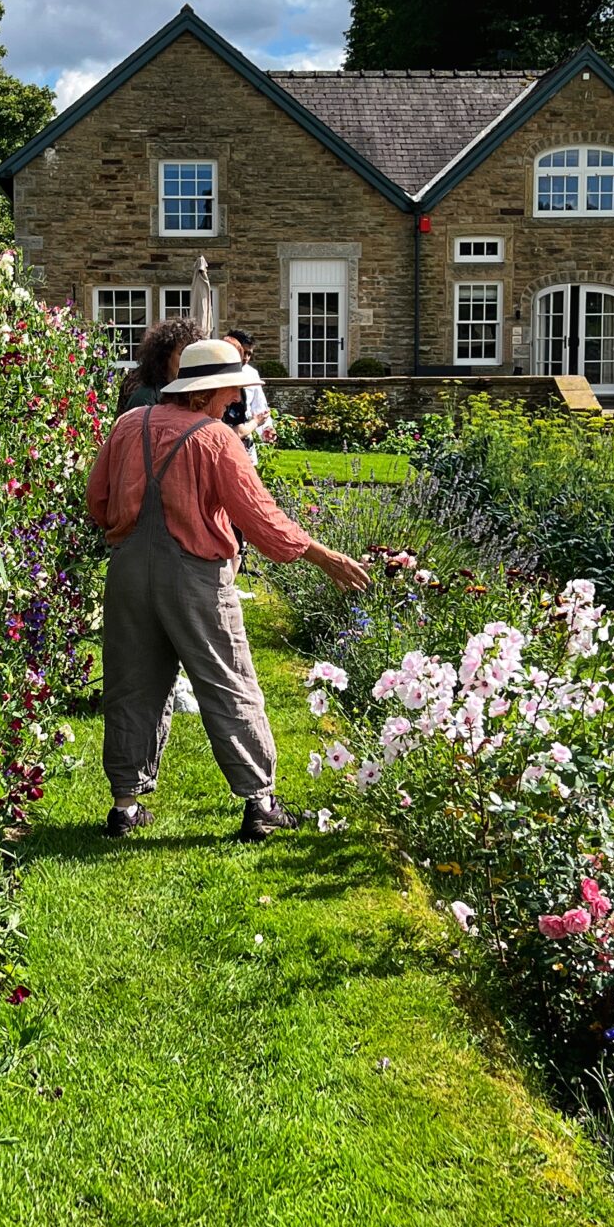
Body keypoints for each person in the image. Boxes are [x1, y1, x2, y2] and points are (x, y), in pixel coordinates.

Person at [86, 337, 369, 842]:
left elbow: (98, 498)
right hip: (195, 577)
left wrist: (131, 534)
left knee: (131, 683)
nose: (237, 396)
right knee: (227, 680)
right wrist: (324, 556)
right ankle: (260, 802)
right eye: (231, 388)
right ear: (206, 393)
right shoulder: (217, 439)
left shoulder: (129, 425)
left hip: (127, 572)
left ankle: (124, 807)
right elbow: (260, 517)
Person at [116, 316, 200, 416]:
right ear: (165, 356)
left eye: (192, 355)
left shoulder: (194, 396)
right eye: (182, 354)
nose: (188, 361)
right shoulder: (144, 399)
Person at [221, 328, 275, 463]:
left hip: (246, 436)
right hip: (224, 435)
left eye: (249, 354)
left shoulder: (252, 374)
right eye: (243, 352)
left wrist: (267, 429)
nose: (245, 358)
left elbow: (260, 406)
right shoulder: (218, 373)